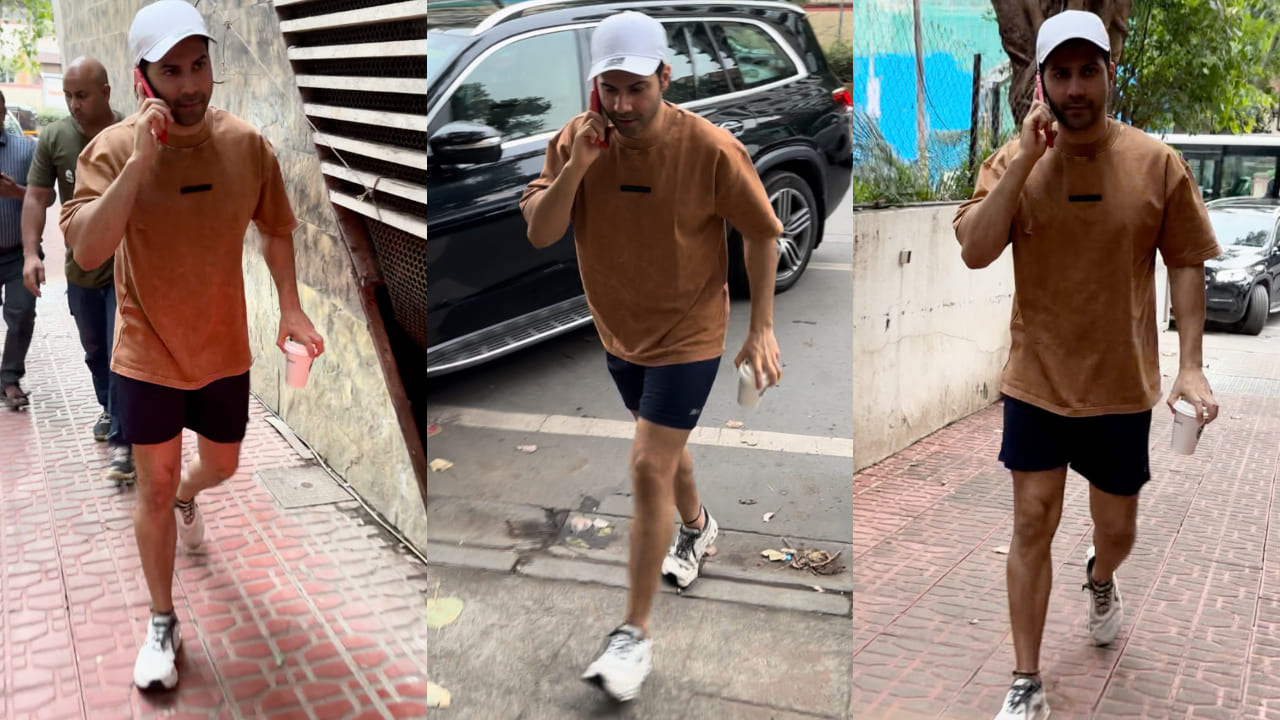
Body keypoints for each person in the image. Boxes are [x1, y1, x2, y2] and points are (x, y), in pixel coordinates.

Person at [953, 11, 1220, 720]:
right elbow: (975, 249)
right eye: (1060, 74)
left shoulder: (1155, 163)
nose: (1075, 88)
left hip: (1119, 387)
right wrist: (1022, 160)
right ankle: (1026, 680)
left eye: (1087, 72)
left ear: (1109, 73)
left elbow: (1186, 259)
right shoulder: (1013, 163)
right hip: (1036, 380)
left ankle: (1101, 577)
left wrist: (1190, 365)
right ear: (1040, 83)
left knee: (1117, 531)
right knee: (1031, 521)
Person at [520, 10, 784, 703]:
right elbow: (543, 232)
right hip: (619, 333)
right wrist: (579, 163)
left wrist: (761, 328)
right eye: (611, 88)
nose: (624, 105)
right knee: (665, 451)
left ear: (664, 78)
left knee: (646, 464)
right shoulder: (573, 142)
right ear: (595, 87)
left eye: (637, 87)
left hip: (690, 333)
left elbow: (761, 231)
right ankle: (698, 528)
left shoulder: (709, 149)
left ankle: (631, 635)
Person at [60, 0, 324, 692]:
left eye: (199, 66)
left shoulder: (244, 146)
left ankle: (189, 494)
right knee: (150, 488)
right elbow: (88, 249)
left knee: (223, 467)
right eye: (171, 71)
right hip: (145, 351)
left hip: (221, 350)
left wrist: (291, 305)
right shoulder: (110, 151)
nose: (190, 85)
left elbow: (275, 225)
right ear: (142, 78)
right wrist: (140, 162)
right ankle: (161, 621)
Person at [22, 57, 134, 482]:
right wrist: (32, 254)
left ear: (105, 92)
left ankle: (123, 445)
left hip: (126, 268)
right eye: (67, 96)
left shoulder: (131, 134)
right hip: (82, 267)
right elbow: (35, 198)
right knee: (95, 352)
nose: (72, 104)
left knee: (119, 351)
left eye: (81, 95)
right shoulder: (54, 138)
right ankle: (110, 409)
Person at [0, 90, 38, 410]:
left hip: (17, 252)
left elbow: (46, 198)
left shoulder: (26, 150)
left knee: (22, 313)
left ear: (3, 112)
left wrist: (16, 191)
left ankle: (10, 379)